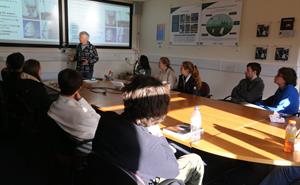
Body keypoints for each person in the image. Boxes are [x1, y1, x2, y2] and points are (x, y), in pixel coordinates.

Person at [92, 75, 204, 185]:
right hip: (142, 178)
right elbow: (174, 171)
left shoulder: (107, 118)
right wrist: (158, 134)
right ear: (160, 110)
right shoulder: (149, 144)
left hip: (106, 176)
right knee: (195, 160)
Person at [48, 69, 100, 141]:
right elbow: (98, 120)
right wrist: (81, 100)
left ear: (59, 85)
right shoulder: (83, 115)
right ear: (79, 88)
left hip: (61, 143)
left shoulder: (53, 106)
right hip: (83, 148)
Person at [16, 59, 51, 131]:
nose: (41, 70)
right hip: (39, 115)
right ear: (35, 70)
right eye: (40, 68)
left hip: (26, 113)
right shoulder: (37, 86)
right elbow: (46, 103)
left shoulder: (20, 79)